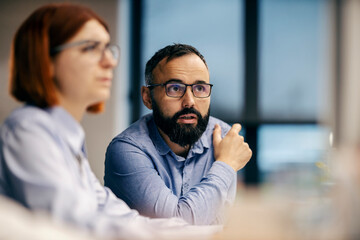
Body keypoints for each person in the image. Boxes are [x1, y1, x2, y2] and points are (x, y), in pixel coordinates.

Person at [0, 3, 222, 239]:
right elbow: (78, 227)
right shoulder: (28, 130)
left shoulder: (66, 138)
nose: (110, 61)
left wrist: (222, 234)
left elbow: (126, 220)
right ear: (46, 60)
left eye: (108, 49)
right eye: (90, 48)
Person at [104, 44, 252, 225]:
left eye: (200, 88)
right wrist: (226, 165)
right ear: (147, 97)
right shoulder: (126, 150)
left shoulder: (223, 138)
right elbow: (178, 228)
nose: (189, 102)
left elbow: (220, 225)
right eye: (174, 88)